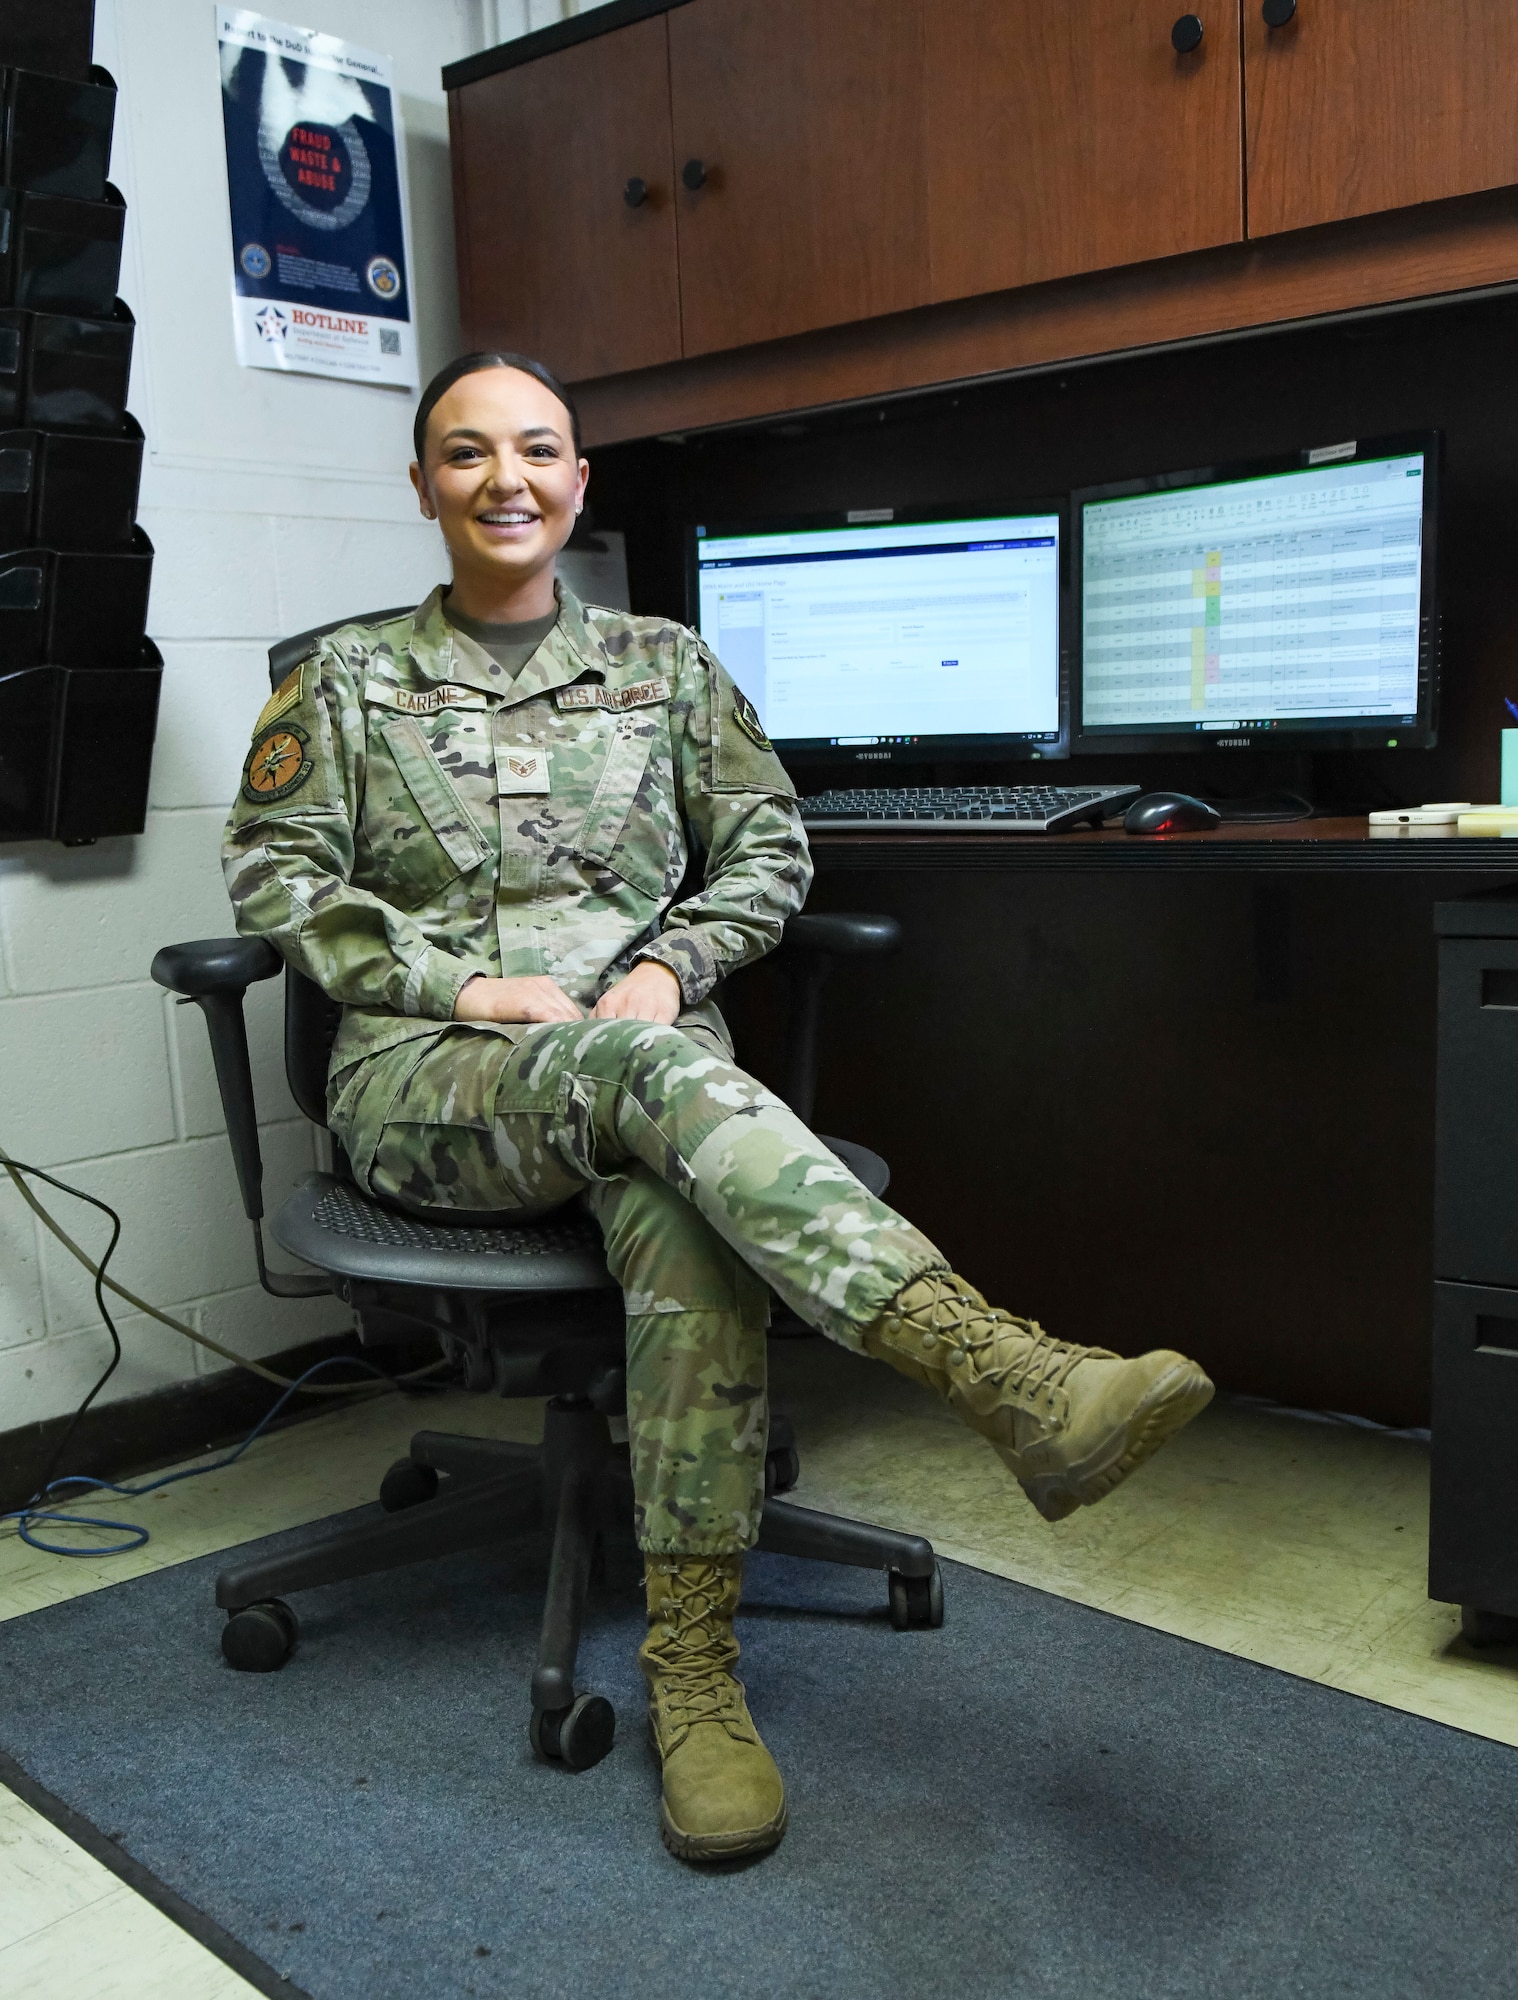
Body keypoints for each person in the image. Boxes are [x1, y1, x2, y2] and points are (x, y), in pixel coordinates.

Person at [222, 351, 1214, 1865]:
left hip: (645, 1074)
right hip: (433, 1082)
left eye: (539, 449)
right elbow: (279, 878)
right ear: (422, 485)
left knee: (681, 1219)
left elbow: (767, 854)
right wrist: (468, 988)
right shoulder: (344, 683)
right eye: (469, 453)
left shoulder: (668, 669)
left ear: (579, 481)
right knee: (662, 1084)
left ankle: (693, 1674)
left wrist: (670, 964)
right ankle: (1004, 1374)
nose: (508, 479)